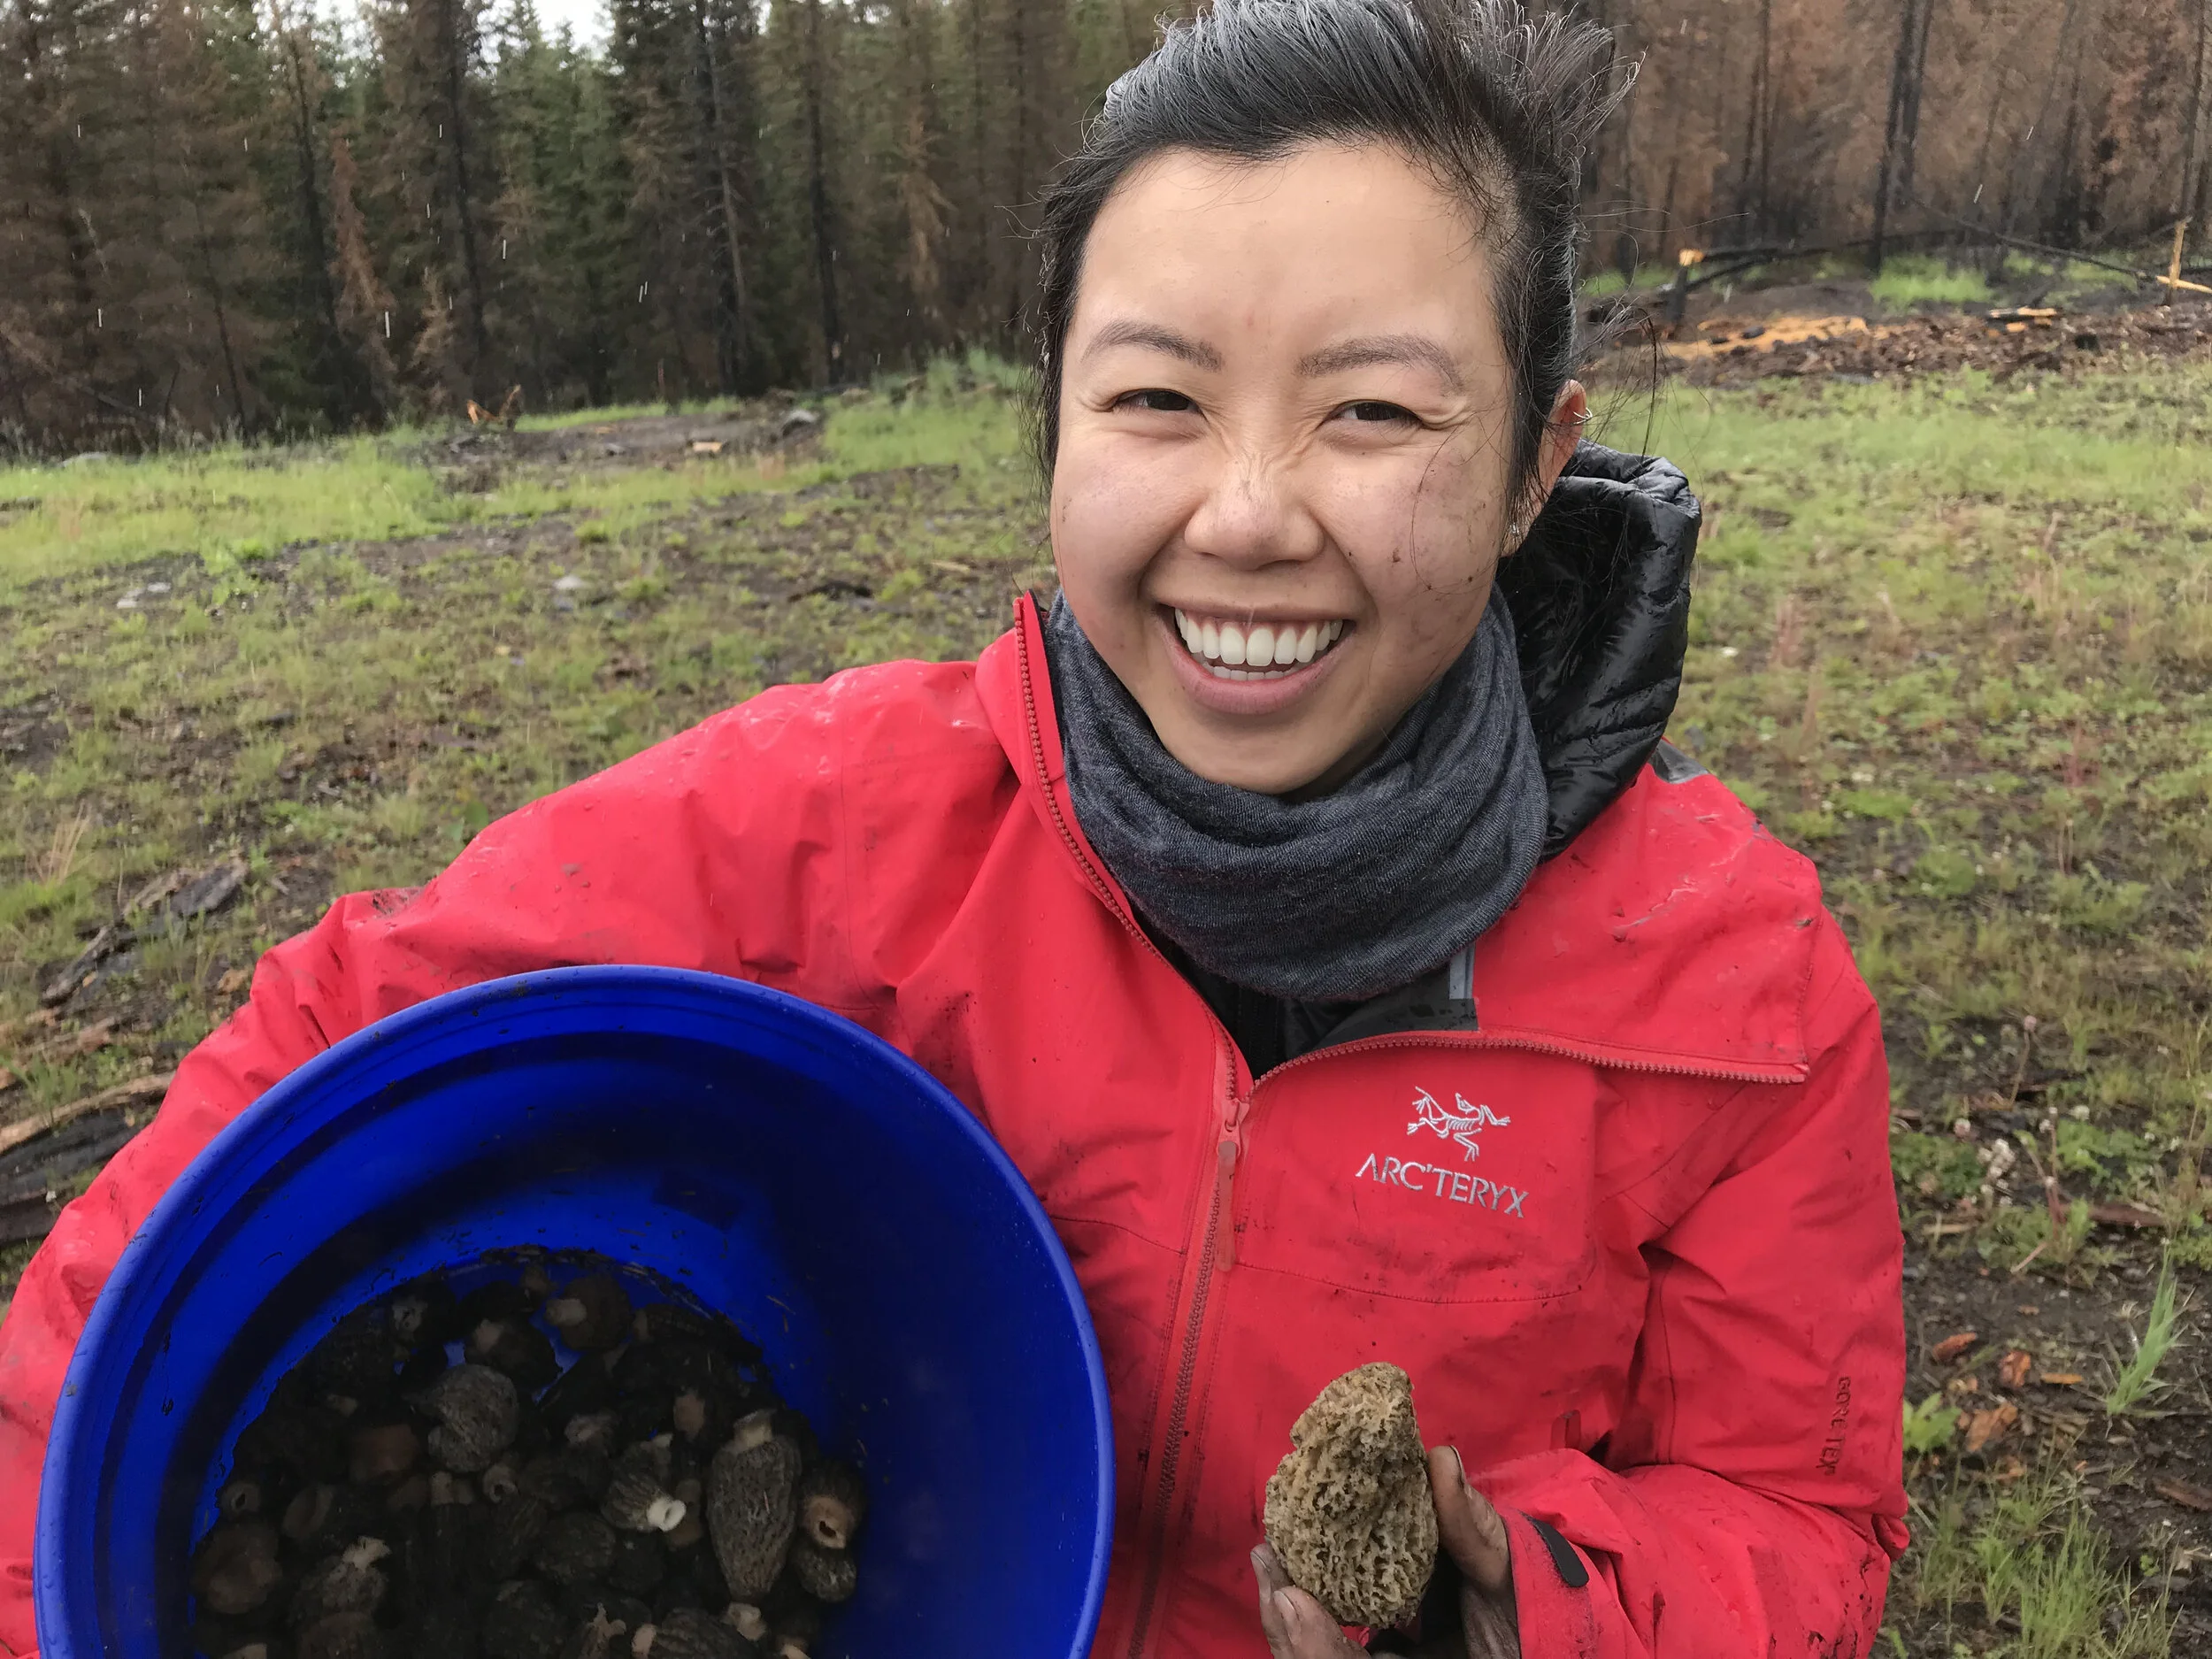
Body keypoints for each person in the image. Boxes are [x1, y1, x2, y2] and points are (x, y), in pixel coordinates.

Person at [0, 0, 1908, 1654]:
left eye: (1372, 414)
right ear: (1054, 432)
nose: (1245, 512)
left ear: (1529, 468)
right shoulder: (826, 828)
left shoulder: (1729, 991)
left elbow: (1798, 1515)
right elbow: (323, 1062)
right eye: (1154, 396)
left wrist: (1544, 1609)